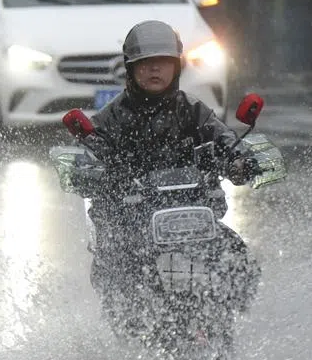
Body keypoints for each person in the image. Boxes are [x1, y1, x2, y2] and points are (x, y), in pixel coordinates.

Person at [82, 20, 261, 329]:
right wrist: (96, 171)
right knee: (116, 267)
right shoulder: (111, 117)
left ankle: (227, 321)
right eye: (146, 64)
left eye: (163, 63)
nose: (155, 71)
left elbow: (224, 138)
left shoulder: (192, 110)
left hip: (190, 214)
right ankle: (126, 331)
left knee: (238, 259)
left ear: (176, 67)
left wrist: (240, 160)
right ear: (131, 68)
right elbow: (91, 153)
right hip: (133, 217)